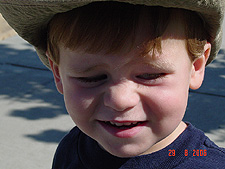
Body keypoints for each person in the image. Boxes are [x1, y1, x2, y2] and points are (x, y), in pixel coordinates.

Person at [0, 1, 224, 168]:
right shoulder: (73, 148)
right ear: (58, 73)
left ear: (195, 67)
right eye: (91, 78)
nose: (119, 100)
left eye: (149, 75)